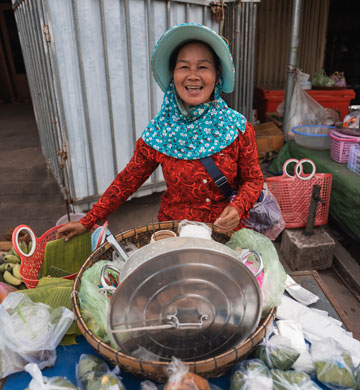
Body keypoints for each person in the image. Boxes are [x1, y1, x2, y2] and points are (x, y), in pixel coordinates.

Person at [57, 23, 263, 241]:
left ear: (217, 73)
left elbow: (253, 180)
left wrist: (238, 207)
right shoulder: (158, 133)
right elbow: (126, 182)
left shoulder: (237, 127)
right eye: (184, 67)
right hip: (174, 234)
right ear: (173, 74)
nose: (193, 76)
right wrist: (88, 220)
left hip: (227, 236)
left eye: (203, 67)